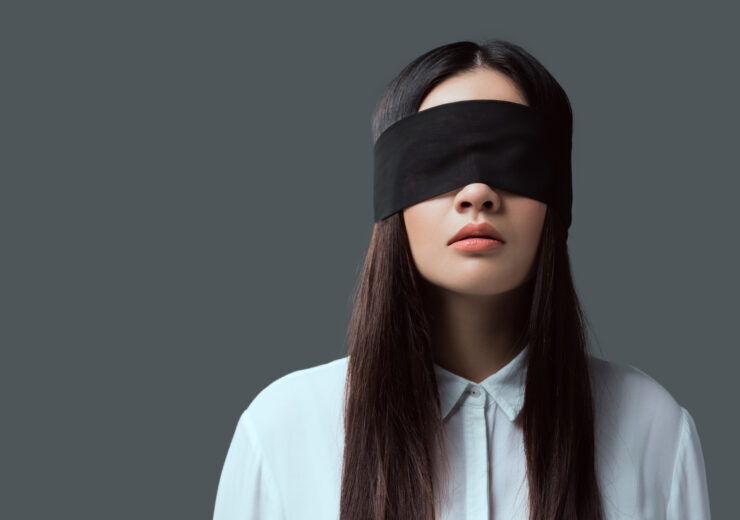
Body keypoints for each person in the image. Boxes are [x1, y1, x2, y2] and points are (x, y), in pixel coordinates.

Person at [212, 39, 711, 520]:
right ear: (391, 197)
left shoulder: (652, 428)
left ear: (556, 197)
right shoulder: (282, 431)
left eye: (512, 156)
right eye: (438, 157)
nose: (477, 191)